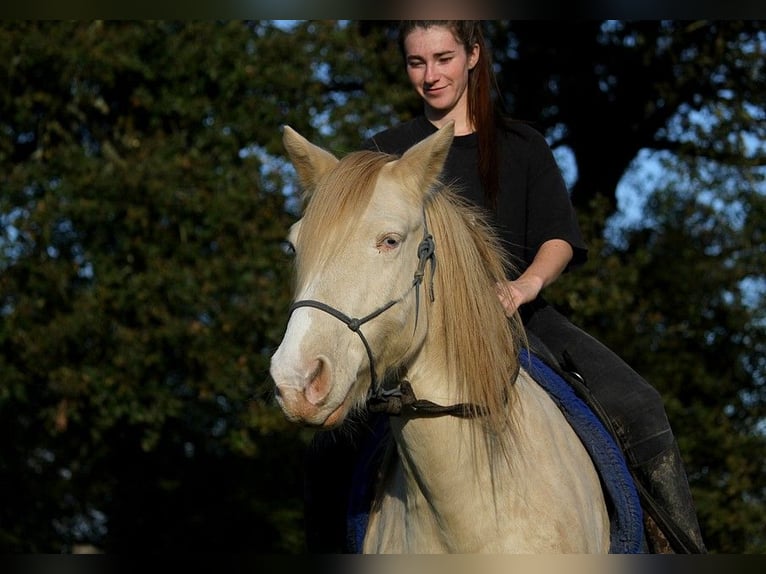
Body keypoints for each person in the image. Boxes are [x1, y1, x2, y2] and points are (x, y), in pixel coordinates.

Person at [303, 20, 706, 553]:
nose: (430, 75)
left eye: (443, 58)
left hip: (522, 317)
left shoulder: (522, 145)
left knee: (640, 406)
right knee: (328, 449)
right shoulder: (386, 153)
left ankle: (681, 548)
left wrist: (524, 286)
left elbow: (558, 237)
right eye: (416, 62)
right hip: (416, 335)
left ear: (473, 54)